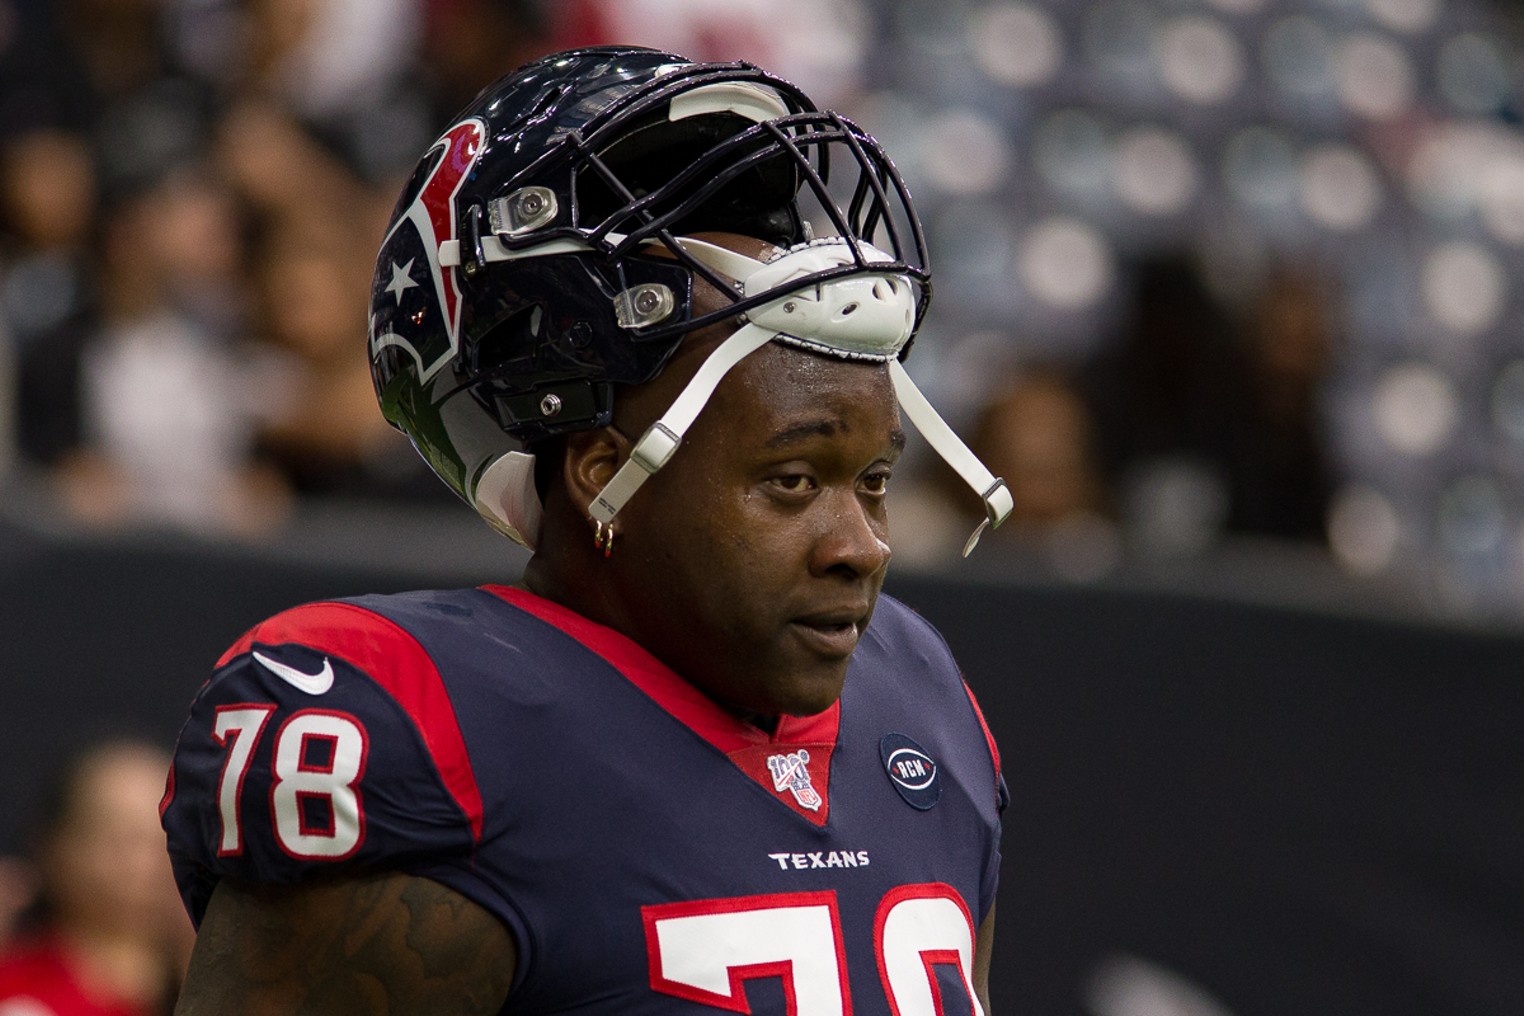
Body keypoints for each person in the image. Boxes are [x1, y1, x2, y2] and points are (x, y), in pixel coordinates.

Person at [160, 46, 1013, 1014]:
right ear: (605, 473)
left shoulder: (918, 686)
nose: (859, 543)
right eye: (790, 480)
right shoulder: (430, 731)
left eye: (873, 480)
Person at [0, 738, 193, 1016]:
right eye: (124, 839)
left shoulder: (232, 987)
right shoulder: (19, 996)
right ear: (55, 847)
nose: (150, 863)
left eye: (166, 839)